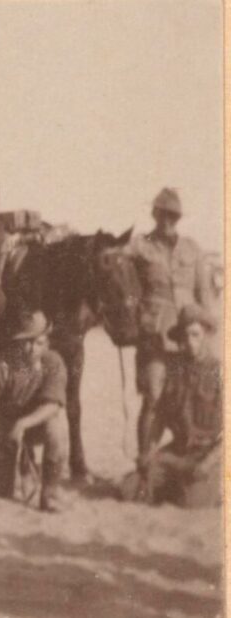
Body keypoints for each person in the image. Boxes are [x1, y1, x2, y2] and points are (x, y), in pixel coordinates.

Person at [127, 188, 215, 457]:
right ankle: (145, 464)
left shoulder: (192, 249)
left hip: (189, 338)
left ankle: (189, 456)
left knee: (192, 397)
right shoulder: (139, 247)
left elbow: (205, 295)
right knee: (153, 397)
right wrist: (134, 319)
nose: (167, 221)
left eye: (173, 216)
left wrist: (208, 334)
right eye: (163, 215)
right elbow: (124, 286)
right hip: (154, 337)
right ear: (154, 214)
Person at [123, 305, 221, 508]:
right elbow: (159, 417)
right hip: (177, 452)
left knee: (190, 504)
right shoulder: (174, 369)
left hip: (208, 455)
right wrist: (149, 451)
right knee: (132, 490)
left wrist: (208, 463)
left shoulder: (219, 372)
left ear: (206, 336)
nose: (190, 342)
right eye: (185, 336)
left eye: (196, 335)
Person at [0, 311, 69, 512]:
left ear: (47, 342)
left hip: (34, 426)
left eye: (38, 343)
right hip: (5, 429)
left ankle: (49, 494)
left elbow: (53, 405)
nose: (31, 348)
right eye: (25, 342)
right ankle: (11, 472)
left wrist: (24, 424)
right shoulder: (0, 366)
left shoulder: (53, 362)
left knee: (57, 431)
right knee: (1, 491)